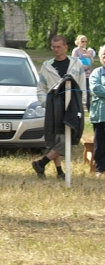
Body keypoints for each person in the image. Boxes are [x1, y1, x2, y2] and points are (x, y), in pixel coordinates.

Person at [32, 35, 86, 180]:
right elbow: (41, 88)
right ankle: (59, 172)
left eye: (59, 47)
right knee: (56, 139)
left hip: (72, 105)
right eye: (53, 47)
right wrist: (45, 103)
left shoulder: (76, 64)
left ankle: (41, 163)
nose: (56, 50)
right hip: (54, 106)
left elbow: (82, 85)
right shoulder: (47, 66)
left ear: (66, 47)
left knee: (69, 138)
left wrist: (81, 105)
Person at [89, 45, 105, 178]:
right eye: (103, 55)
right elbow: (96, 89)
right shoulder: (96, 73)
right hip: (100, 114)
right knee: (99, 142)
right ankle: (99, 168)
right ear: (100, 58)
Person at [72, 35, 95, 111]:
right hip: (79, 76)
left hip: (87, 75)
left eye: (86, 41)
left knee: (88, 94)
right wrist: (82, 66)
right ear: (78, 41)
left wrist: (89, 56)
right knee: (79, 93)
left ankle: (90, 110)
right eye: (82, 41)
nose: (84, 43)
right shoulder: (76, 51)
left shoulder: (87, 50)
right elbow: (73, 62)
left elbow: (92, 62)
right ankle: (77, 109)